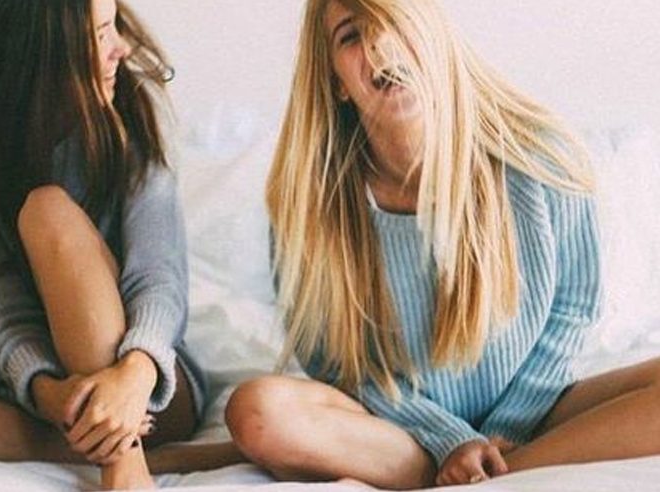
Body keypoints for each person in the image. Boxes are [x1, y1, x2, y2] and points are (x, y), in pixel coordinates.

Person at [225, 0, 660, 489]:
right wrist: (447, 438)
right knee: (257, 411)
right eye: (351, 35)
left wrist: (505, 431)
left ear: (434, 36)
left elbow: (574, 309)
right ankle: (458, 469)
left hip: (532, 412)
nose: (379, 45)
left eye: (395, 21)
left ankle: (495, 473)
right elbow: (333, 364)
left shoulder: (538, 156)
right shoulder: (310, 200)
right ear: (337, 83)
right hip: (401, 430)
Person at [0, 0, 205, 489]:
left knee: (47, 211)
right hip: (38, 389)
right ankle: (167, 458)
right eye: (101, 35)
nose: (122, 49)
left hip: (147, 382)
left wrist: (133, 376)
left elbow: (159, 279)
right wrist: (48, 393)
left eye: (114, 28)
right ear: (41, 55)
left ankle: (125, 466)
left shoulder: (139, 109)